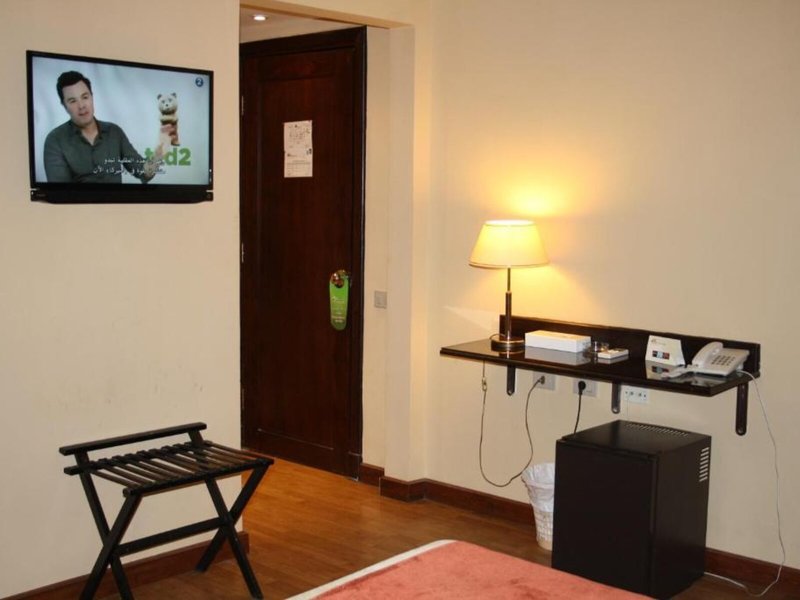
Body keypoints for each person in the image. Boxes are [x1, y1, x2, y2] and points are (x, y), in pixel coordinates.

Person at [43, 71, 171, 183]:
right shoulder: (55, 140)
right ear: (64, 106)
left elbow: (143, 172)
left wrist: (159, 154)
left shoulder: (114, 132)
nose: (81, 106)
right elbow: (60, 194)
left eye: (85, 97)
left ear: (92, 97)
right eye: (73, 101)